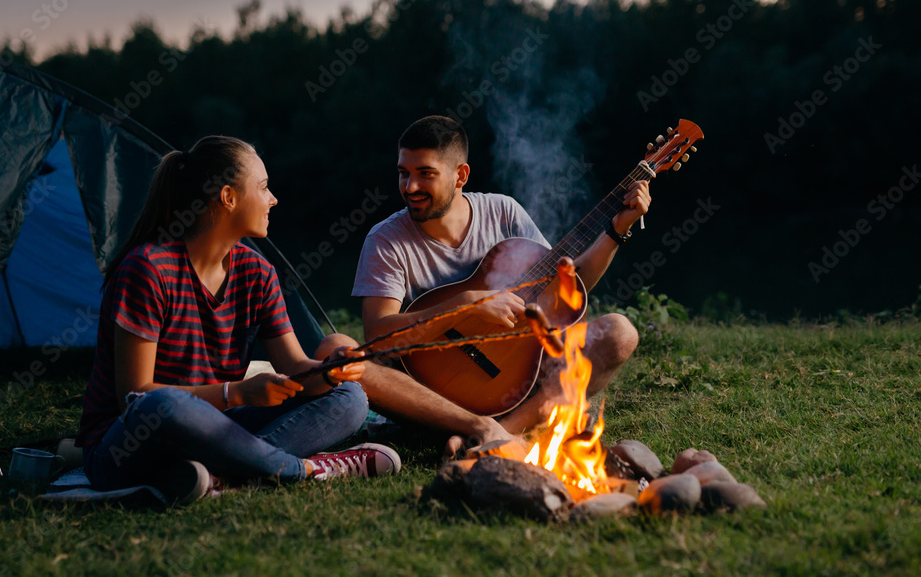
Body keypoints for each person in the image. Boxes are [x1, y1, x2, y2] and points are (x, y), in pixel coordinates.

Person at [76, 135, 400, 505]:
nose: (273, 198)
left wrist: (328, 371)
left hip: (218, 432)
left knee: (351, 397)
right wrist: (235, 393)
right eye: (263, 187)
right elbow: (133, 397)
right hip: (125, 447)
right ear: (228, 197)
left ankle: (225, 475)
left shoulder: (256, 271)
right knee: (162, 403)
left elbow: (295, 368)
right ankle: (304, 470)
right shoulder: (148, 270)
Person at [351, 116, 648, 456]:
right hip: (428, 387)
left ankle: (499, 433)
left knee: (619, 332)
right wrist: (466, 304)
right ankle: (475, 428)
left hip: (512, 377)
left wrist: (616, 230)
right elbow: (376, 338)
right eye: (404, 173)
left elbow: (564, 292)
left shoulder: (503, 212)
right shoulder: (386, 240)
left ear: (460, 175)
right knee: (337, 349)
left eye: (425, 174)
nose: (410, 187)